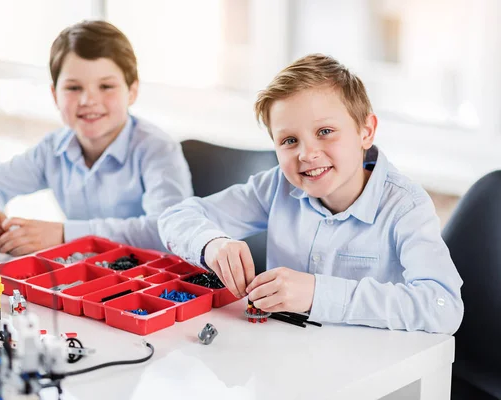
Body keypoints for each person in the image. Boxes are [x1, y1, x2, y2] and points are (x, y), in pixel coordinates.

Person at [158, 54, 463, 334]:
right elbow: (175, 217)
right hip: (285, 362)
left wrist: (319, 293)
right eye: (289, 140)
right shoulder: (277, 186)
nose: (307, 154)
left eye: (325, 132)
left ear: (366, 131)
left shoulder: (405, 207)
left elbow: (443, 306)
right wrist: (212, 244)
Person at [0, 20, 192, 255]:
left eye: (106, 86)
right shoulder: (54, 149)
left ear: (132, 91)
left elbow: (167, 231)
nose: (88, 101)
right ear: (54, 95)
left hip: (148, 280)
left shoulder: (158, 149)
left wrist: (64, 234)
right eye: (73, 88)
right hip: (83, 278)